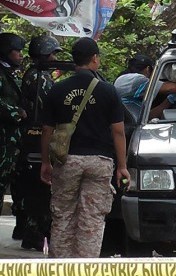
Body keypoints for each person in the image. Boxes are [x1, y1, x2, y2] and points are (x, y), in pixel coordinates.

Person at [40, 37, 130, 258]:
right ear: (95, 59)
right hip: (100, 163)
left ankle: (60, 270)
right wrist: (122, 166)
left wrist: (45, 162)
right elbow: (118, 132)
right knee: (92, 219)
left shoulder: (58, 89)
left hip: (67, 161)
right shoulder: (108, 91)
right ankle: (86, 268)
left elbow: (47, 131)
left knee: (63, 216)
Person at [19, 35, 62, 251]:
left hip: (30, 138)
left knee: (33, 190)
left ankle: (31, 232)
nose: (55, 58)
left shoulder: (32, 74)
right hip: (36, 139)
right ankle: (36, 234)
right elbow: (49, 109)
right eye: (53, 53)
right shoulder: (40, 78)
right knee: (40, 191)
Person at [0, 33, 27, 238]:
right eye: (16, 51)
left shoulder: (12, 72)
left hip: (11, 141)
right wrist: (16, 112)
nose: (19, 55)